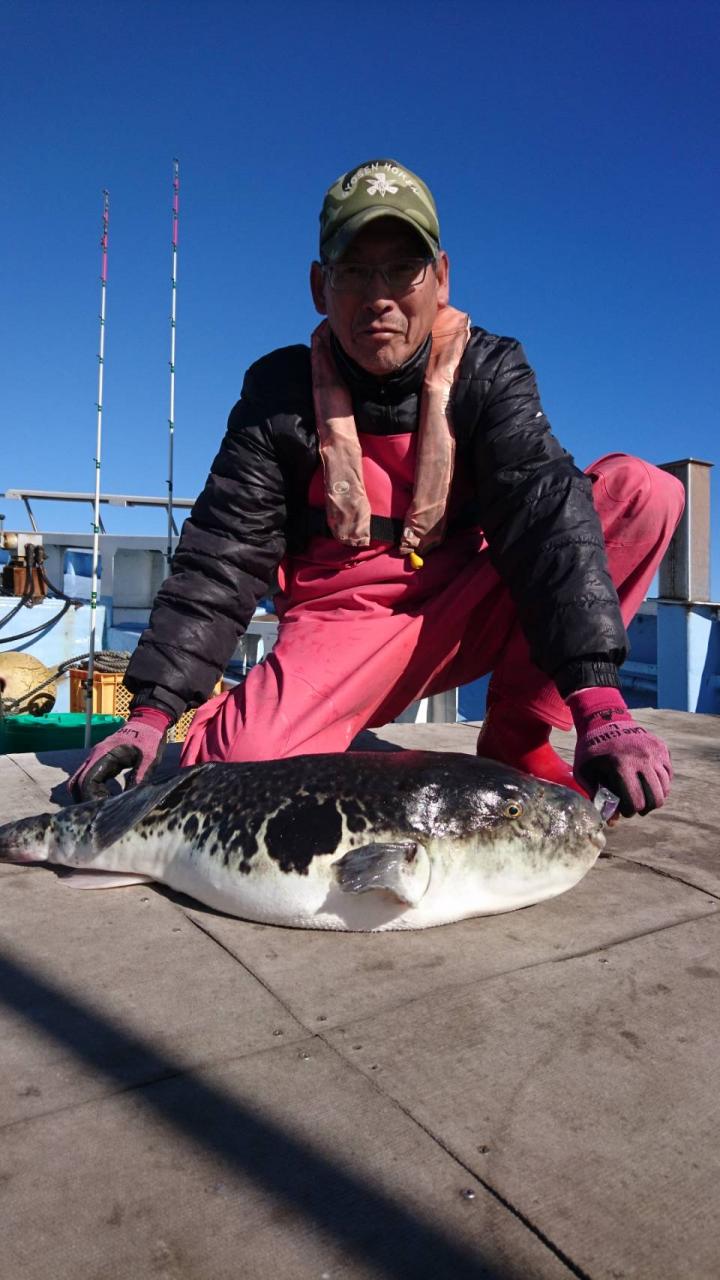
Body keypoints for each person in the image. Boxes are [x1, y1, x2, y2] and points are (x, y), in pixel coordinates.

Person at [69, 158, 685, 818]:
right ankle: (241, 719)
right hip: (343, 623)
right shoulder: (277, 395)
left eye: (403, 269)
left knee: (641, 492)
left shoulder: (490, 370)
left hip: (465, 605)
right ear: (320, 286)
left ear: (441, 278)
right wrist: (151, 713)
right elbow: (222, 555)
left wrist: (599, 701)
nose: (379, 295)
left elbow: (545, 516)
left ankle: (517, 737)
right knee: (233, 773)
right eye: (355, 271)